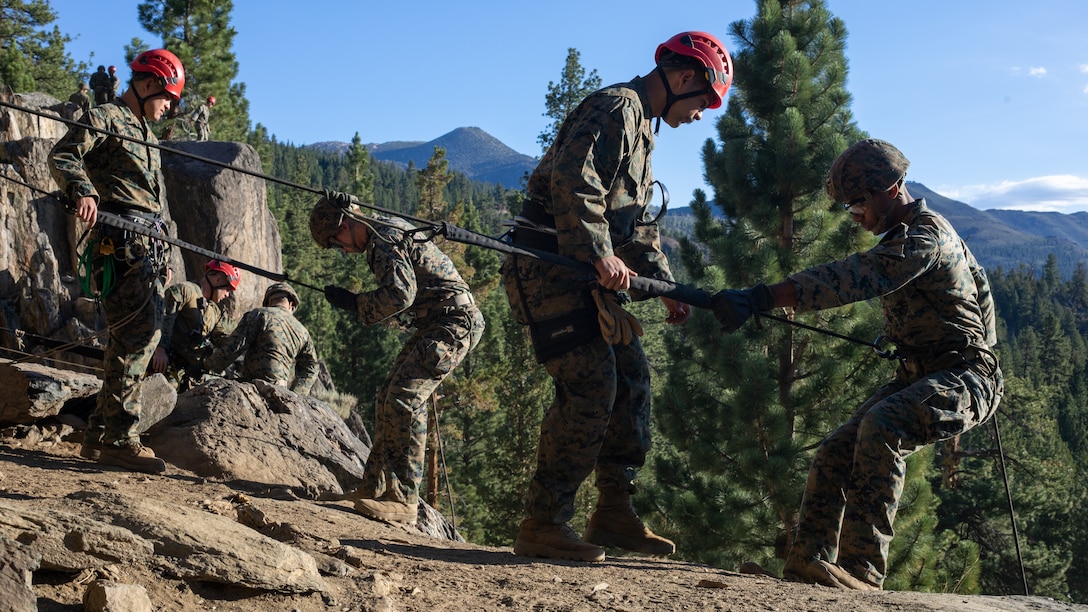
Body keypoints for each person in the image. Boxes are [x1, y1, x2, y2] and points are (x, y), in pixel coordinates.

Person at [711, 138, 1004, 590]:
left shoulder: (925, 238)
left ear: (890, 189)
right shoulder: (908, 233)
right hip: (922, 374)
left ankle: (862, 575)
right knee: (834, 451)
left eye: (859, 205)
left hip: (967, 377)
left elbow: (854, 277)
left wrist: (764, 296)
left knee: (884, 425)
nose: (857, 217)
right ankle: (807, 566)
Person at [500, 31, 732, 562]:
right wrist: (598, 250)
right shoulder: (617, 108)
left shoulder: (643, 131)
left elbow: (637, 227)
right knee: (592, 385)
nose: (700, 115)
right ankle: (543, 521)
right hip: (548, 268)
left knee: (631, 379)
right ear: (682, 78)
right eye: (703, 101)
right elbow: (572, 179)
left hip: (583, 277)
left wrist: (667, 286)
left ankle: (612, 514)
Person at [49, 48, 186, 474]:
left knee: (131, 337)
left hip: (147, 242)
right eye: (167, 99)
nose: (169, 108)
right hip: (121, 238)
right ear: (147, 85)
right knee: (140, 338)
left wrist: (162, 249)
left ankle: (98, 434)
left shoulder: (145, 131)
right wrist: (83, 190)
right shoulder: (108, 117)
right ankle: (119, 437)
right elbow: (64, 154)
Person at [310, 194, 485, 524]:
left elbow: (399, 295)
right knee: (387, 396)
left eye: (337, 243)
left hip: (452, 323)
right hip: (440, 322)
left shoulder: (383, 238)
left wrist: (355, 303)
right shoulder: (383, 234)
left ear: (344, 225)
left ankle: (404, 500)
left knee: (405, 398)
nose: (344, 251)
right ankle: (372, 488)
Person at [202, 282, 320, 395]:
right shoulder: (303, 331)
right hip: (280, 390)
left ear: (269, 301)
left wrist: (206, 366)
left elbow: (234, 347)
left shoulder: (259, 314)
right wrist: (295, 395)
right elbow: (311, 367)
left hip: (252, 386)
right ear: (291, 304)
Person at [151, 260, 241, 390]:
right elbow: (162, 318)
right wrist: (160, 349)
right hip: (163, 363)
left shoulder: (214, 311)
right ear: (218, 279)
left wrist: (240, 345)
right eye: (227, 289)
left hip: (187, 372)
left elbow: (221, 338)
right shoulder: (186, 291)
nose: (227, 295)